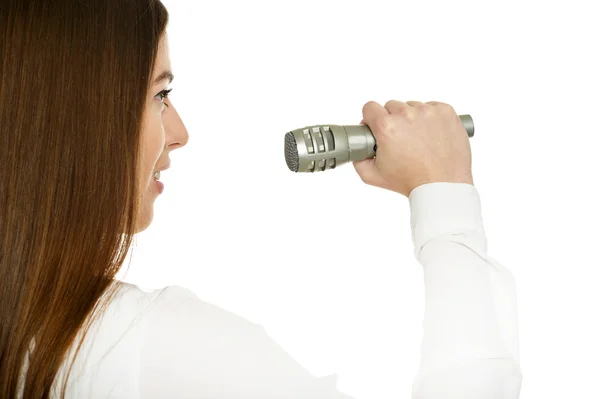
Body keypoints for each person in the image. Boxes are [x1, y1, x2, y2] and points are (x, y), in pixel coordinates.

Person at [0, 0, 522, 398]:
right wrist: (447, 201)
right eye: (159, 95)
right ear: (74, 120)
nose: (179, 132)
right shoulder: (158, 347)